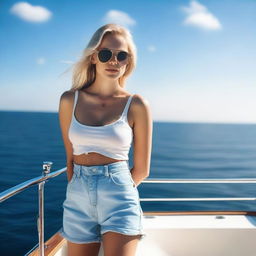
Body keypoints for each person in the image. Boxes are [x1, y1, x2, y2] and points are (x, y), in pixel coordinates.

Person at [58, 23, 153, 256]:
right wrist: (81, 188)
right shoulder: (69, 100)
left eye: (121, 55)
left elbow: (141, 170)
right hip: (77, 197)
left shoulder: (137, 104)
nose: (113, 61)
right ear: (93, 57)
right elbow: (70, 158)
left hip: (120, 194)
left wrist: (114, 188)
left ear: (128, 61)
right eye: (105, 54)